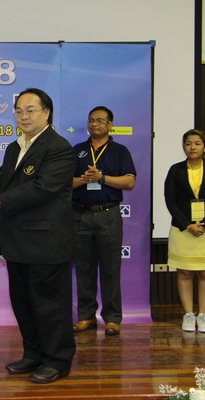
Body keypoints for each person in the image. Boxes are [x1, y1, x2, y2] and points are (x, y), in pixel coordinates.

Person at [0, 88, 76, 384]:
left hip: (46, 242)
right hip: (16, 241)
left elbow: (42, 188)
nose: (24, 116)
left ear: (46, 112)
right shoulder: (15, 146)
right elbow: (8, 181)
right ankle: (34, 354)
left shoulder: (58, 147)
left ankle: (57, 360)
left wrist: (0, 200)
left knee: (50, 305)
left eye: (30, 110)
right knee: (24, 303)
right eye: (19, 111)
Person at [72, 106, 136, 336]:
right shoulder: (78, 151)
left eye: (100, 120)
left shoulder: (119, 151)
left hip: (108, 214)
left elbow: (129, 182)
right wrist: (84, 179)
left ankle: (112, 318)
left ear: (110, 125)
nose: (94, 124)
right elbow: (64, 183)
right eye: (91, 120)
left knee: (110, 269)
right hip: (80, 214)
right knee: (84, 269)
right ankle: (86, 316)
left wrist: (102, 178)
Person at [164, 129, 205, 333]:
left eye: (197, 143)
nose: (193, 147)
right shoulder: (175, 170)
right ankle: (189, 314)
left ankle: (203, 315)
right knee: (184, 271)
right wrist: (187, 225)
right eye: (188, 143)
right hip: (183, 229)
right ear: (183, 147)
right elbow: (171, 201)